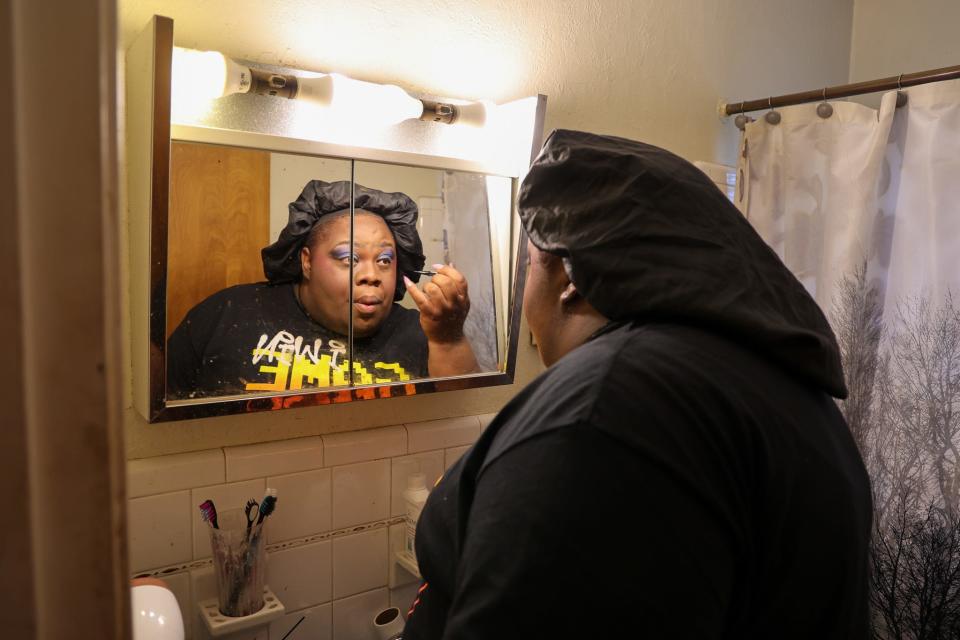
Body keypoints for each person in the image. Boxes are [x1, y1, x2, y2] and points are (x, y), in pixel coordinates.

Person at [402, 130, 872, 639]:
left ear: (573, 275)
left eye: (530, 263)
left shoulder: (601, 415)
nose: (525, 292)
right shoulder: (776, 382)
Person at [166, 180, 477, 398]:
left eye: (384, 260)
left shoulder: (424, 332)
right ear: (307, 262)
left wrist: (448, 339)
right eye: (348, 258)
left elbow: (461, 422)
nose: (371, 275)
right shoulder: (228, 313)